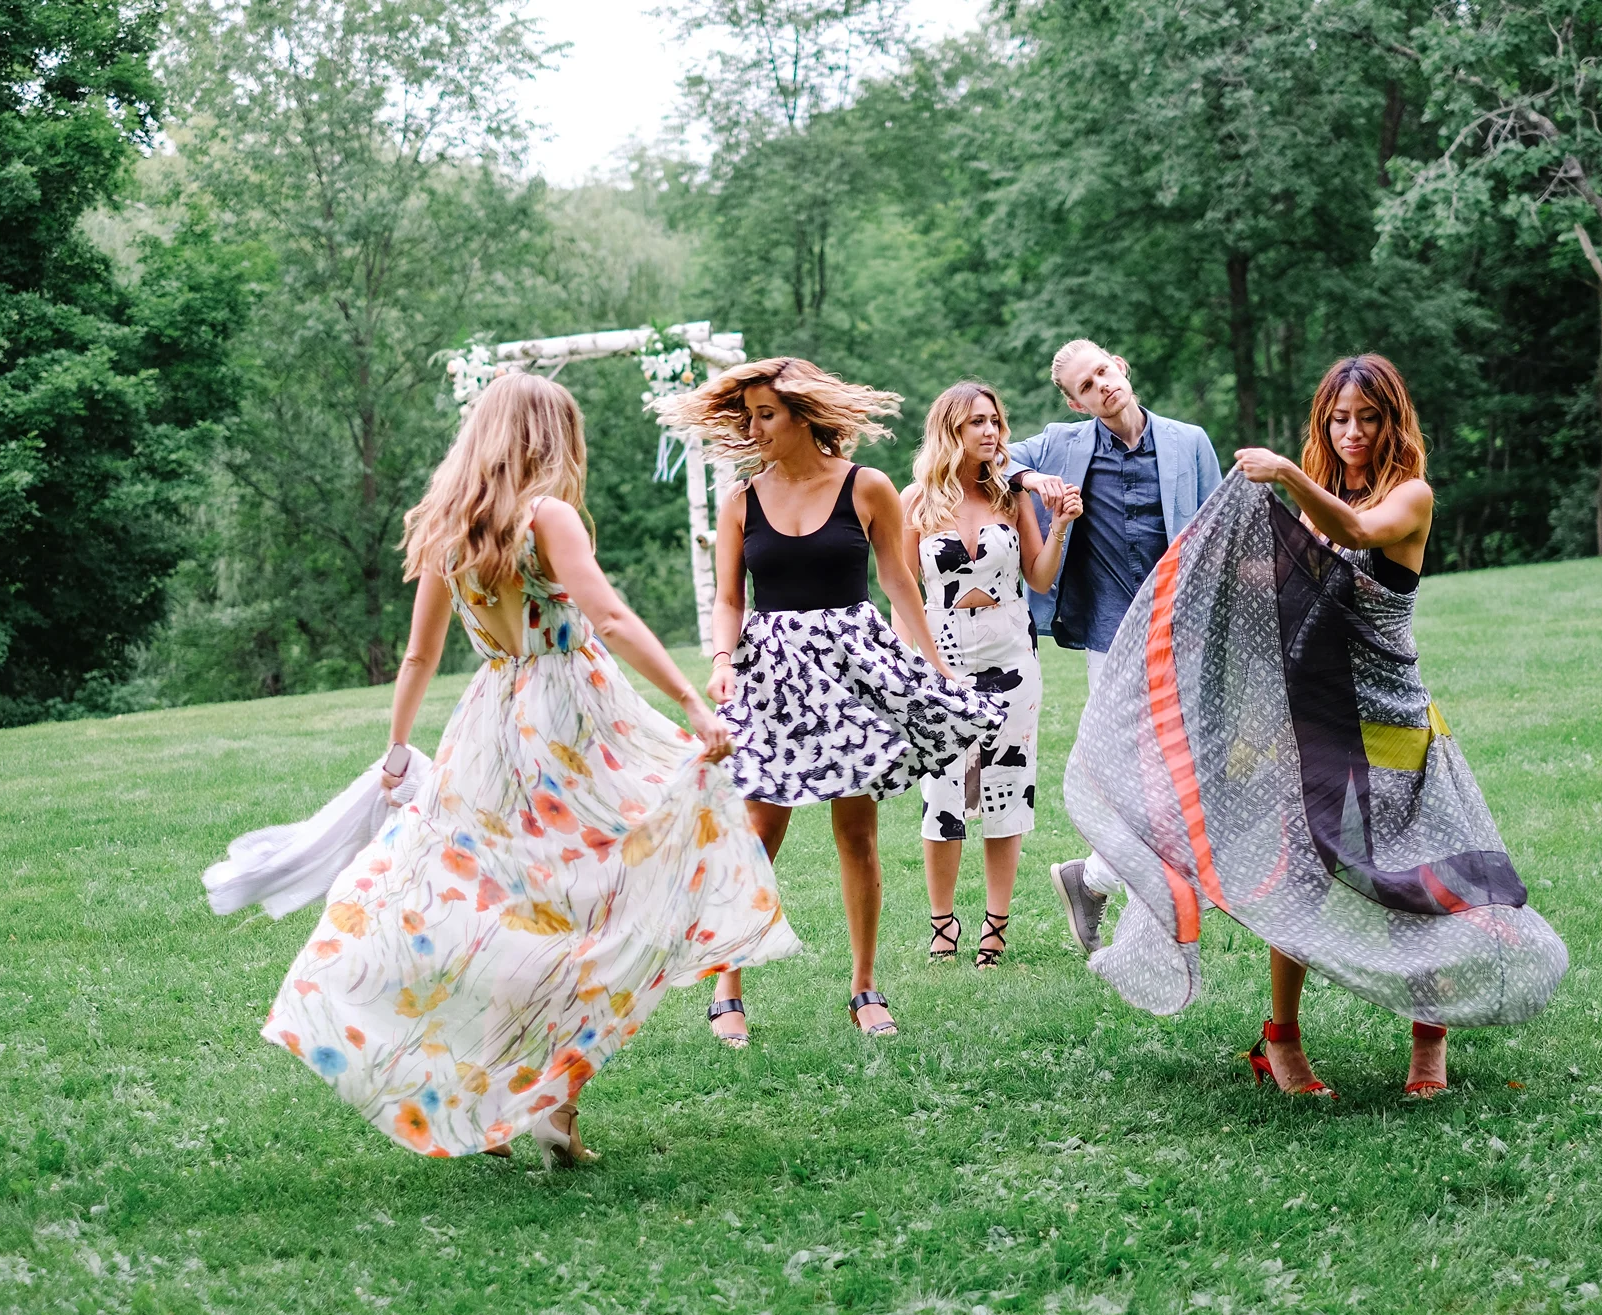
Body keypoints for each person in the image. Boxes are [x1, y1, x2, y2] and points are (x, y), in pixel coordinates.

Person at [257, 373, 800, 1165]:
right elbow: (609, 616)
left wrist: (399, 750)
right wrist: (691, 701)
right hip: (572, 715)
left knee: (507, 905)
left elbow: (417, 656)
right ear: (551, 437)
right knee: (596, 904)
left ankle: (498, 1094)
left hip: (491, 723)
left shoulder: (448, 525)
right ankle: (554, 1101)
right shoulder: (547, 516)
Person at [1064, 353, 1568, 1097]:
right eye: (1338, 419)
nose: (1352, 432)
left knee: (1415, 878)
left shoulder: (1411, 496)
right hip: (1312, 719)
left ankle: (1429, 1040)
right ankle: (1281, 1043)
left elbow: (1359, 530)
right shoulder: (1317, 503)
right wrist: (1214, 557)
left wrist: (1288, 477)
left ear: (1393, 422)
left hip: (1391, 719)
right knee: (1297, 880)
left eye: (1367, 418)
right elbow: (1280, 581)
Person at [655, 357, 1003, 1043]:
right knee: (760, 832)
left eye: (767, 415)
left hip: (851, 670)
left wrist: (936, 668)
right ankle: (727, 985)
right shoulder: (741, 501)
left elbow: (899, 583)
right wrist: (722, 662)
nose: (754, 428)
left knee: (857, 834)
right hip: (771, 674)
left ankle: (865, 987)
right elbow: (729, 599)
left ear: (803, 416)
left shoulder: (866, 487)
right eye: (749, 416)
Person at [1003, 340, 1223, 955]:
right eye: (1085, 385)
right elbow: (989, 456)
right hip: (1109, 635)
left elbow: (1216, 531)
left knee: (1184, 770)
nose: (1100, 384)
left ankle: (1094, 877)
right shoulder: (1063, 445)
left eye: (1103, 371)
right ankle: (1158, 907)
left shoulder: (1189, 442)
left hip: (1179, 632)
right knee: (1137, 775)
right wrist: (1032, 480)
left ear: (1120, 368)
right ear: (1077, 403)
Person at [895, 382, 1080, 968]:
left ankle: (995, 929)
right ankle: (942, 925)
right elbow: (901, 592)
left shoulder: (1009, 495)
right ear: (950, 428)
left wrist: (1059, 526)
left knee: (1007, 790)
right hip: (942, 660)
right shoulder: (916, 500)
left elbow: (1039, 578)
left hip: (1011, 656)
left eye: (995, 421)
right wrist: (913, 670)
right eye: (977, 421)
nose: (991, 431)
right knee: (942, 796)